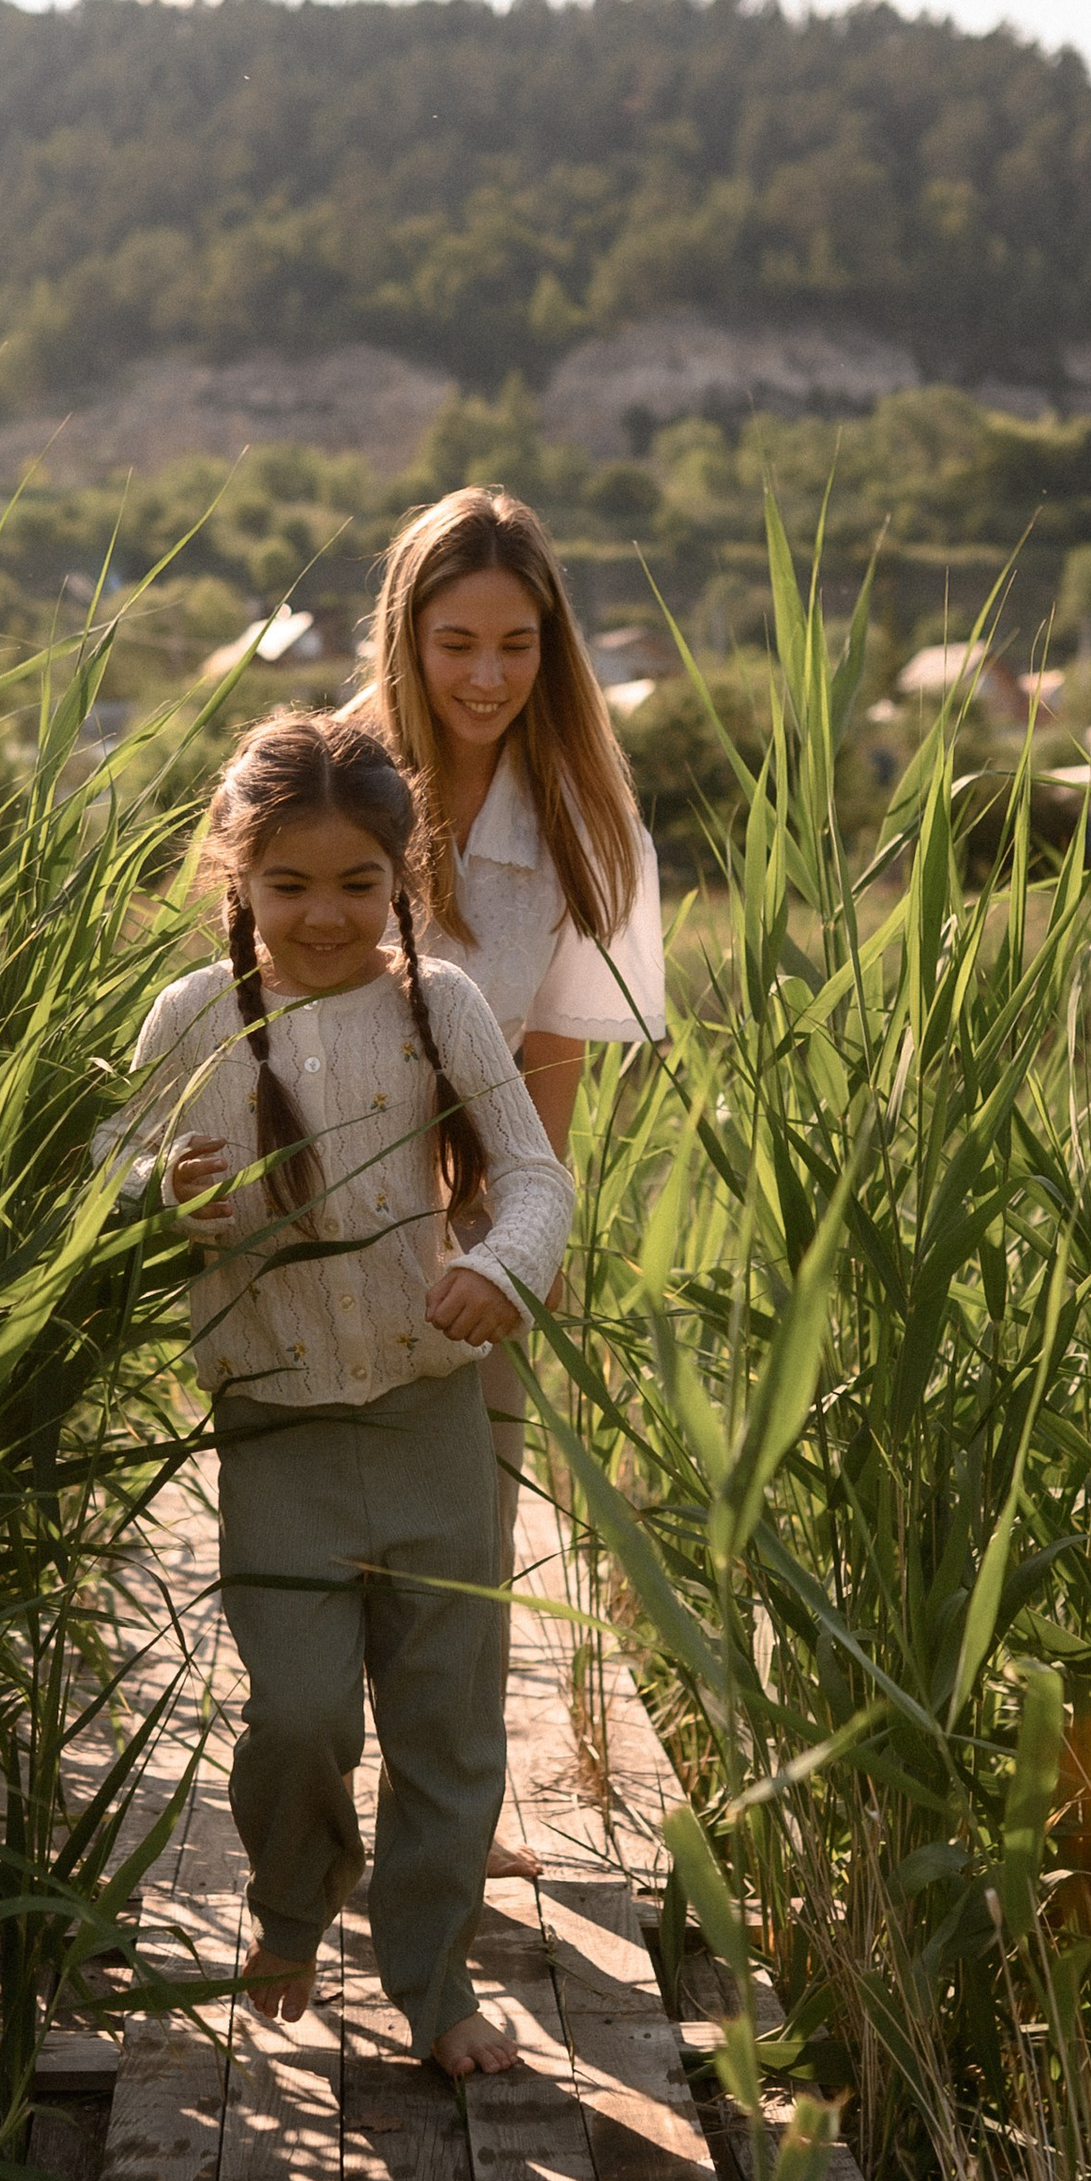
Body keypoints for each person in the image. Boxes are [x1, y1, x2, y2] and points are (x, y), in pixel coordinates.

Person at [102, 708, 573, 2082]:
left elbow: (535, 1173)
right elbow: (108, 1174)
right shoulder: (193, 1018)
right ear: (236, 877)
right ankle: (295, 1903)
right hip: (280, 1422)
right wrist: (160, 1198)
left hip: (431, 1412)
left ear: (401, 876)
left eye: (358, 883)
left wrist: (504, 1265)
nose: (325, 913)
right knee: (298, 1712)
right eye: (289, 883)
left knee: (447, 1719)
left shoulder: (442, 1003)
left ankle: (433, 1986)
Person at [353, 483, 667, 1622]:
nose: (486, 676)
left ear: (553, 646)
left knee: (462, 1567)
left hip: (476, 1231)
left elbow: (553, 1060)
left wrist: (521, 1248)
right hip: (321, 1216)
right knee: (330, 1567)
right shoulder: (342, 786)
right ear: (406, 637)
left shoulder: (588, 819)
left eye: (514, 645)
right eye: (456, 644)